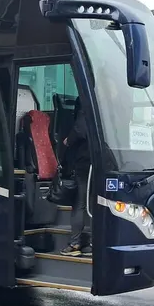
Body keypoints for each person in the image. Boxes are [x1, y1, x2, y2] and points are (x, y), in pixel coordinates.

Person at [60, 98, 92, 257]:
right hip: (100, 162)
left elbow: (80, 130)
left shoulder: (88, 104)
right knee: (94, 203)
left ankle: (75, 243)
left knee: (79, 203)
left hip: (84, 163)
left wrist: (68, 140)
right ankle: (92, 241)